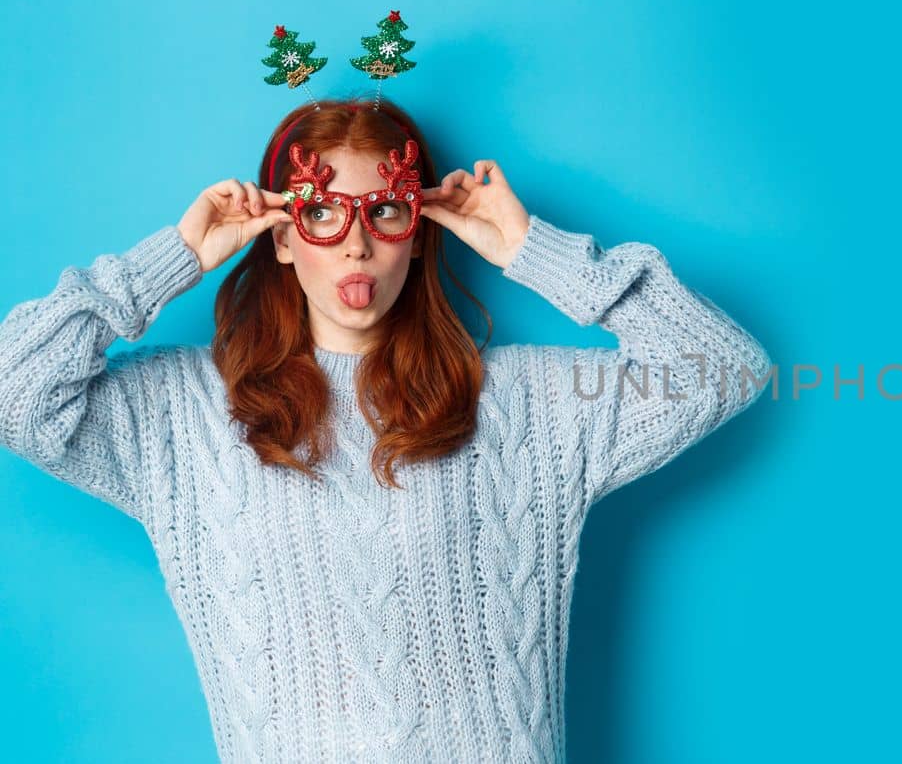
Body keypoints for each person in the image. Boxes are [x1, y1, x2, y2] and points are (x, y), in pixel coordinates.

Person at [0, 99, 772, 763]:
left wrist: (533, 252)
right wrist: (169, 261)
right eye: (323, 212)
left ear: (419, 227)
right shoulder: (182, 414)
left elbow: (722, 371)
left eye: (387, 210)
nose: (357, 244)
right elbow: (16, 393)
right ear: (281, 232)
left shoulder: (527, 403)